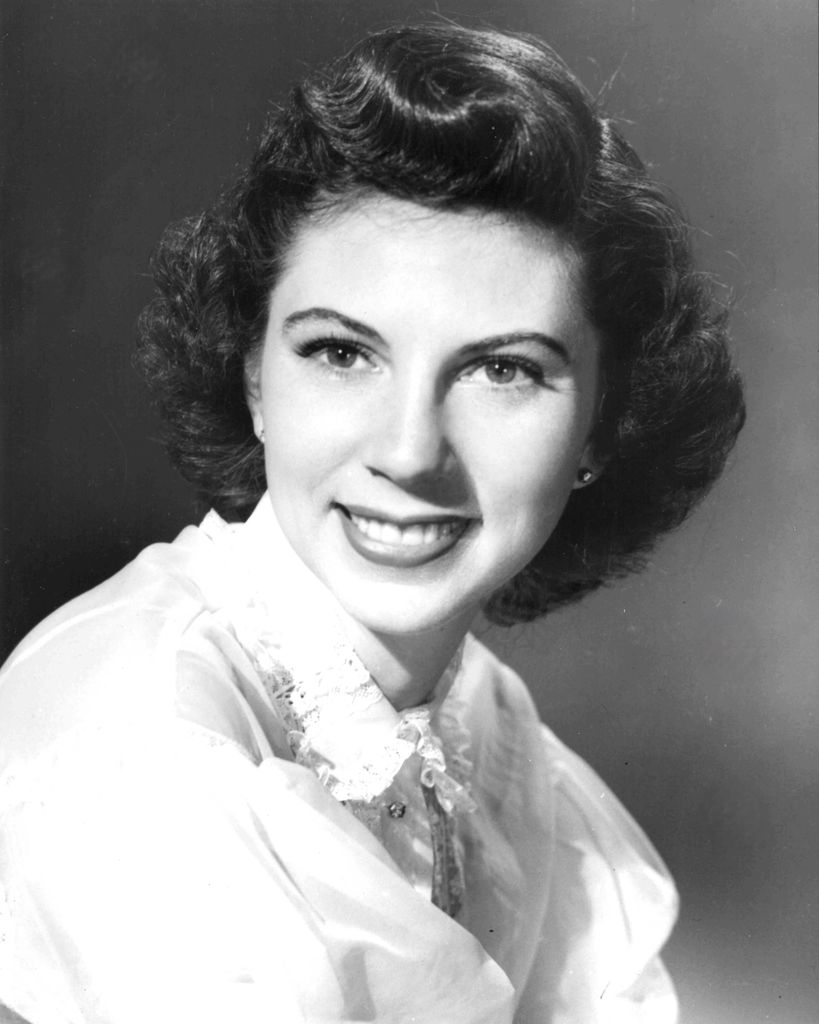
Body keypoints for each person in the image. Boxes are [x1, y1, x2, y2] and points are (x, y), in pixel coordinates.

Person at [0, 23, 744, 1024]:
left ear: (602, 428)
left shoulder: (484, 728)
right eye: (343, 353)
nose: (409, 451)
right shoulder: (137, 738)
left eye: (502, 369)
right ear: (253, 378)